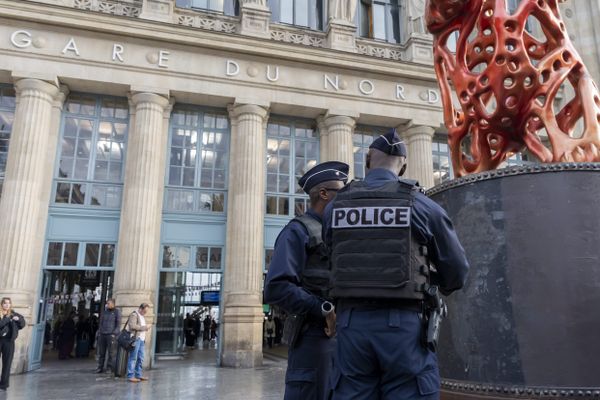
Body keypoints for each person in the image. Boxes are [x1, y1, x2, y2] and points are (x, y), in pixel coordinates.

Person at [323, 130, 470, 399]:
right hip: (405, 329)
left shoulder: (337, 206)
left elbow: (332, 254)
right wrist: (427, 282)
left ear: (367, 159)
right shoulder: (422, 205)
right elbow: (458, 270)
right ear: (403, 165)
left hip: (352, 326)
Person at [264, 160, 349, 400]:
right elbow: (276, 288)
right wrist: (324, 310)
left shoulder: (342, 233)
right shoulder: (298, 231)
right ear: (323, 194)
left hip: (345, 340)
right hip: (314, 340)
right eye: (341, 192)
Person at [0, 297, 26, 391]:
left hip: (9, 342)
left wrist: (18, 319)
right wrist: (7, 318)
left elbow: (22, 324)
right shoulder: (3, 315)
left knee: (7, 363)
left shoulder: (14, 314)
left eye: (9, 303)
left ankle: (4, 385)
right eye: (5, 303)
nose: (7, 305)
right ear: (1, 304)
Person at [126, 303, 150, 383]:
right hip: (136, 339)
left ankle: (138, 375)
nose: (145, 313)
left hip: (142, 339)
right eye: (144, 311)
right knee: (133, 357)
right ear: (140, 308)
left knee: (140, 358)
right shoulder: (134, 315)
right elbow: (132, 326)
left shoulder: (142, 316)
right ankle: (130, 375)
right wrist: (144, 328)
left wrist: (145, 328)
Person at [96, 299, 121, 373]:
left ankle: (109, 368)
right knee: (101, 353)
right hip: (103, 334)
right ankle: (100, 367)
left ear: (113, 304)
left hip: (111, 335)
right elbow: (101, 322)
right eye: (107, 303)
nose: (107, 305)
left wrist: (114, 334)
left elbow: (118, 324)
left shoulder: (117, 312)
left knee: (111, 353)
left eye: (109, 303)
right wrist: (100, 331)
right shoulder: (105, 312)